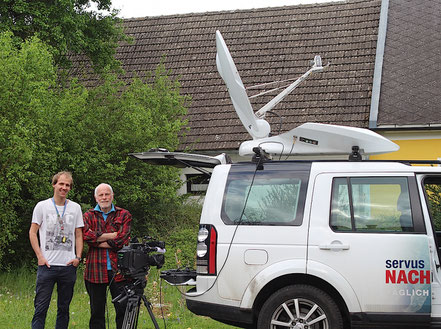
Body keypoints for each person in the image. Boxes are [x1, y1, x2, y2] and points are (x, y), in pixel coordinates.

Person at [29, 171, 84, 329]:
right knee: (40, 308)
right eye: (61, 184)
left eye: (67, 185)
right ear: (54, 184)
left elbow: (79, 235)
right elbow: (33, 232)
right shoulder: (42, 206)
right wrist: (39, 256)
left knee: (64, 309)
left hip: (68, 266)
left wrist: (78, 257)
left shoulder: (75, 208)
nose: (64, 187)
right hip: (47, 265)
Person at [83, 183, 132, 329]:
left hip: (120, 271)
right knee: (96, 312)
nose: (104, 197)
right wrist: (111, 235)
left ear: (112, 196)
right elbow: (86, 236)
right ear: (96, 198)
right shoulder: (88, 215)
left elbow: (121, 240)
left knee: (122, 310)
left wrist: (96, 241)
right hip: (95, 270)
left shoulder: (124, 214)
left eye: (107, 194)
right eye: (101, 195)